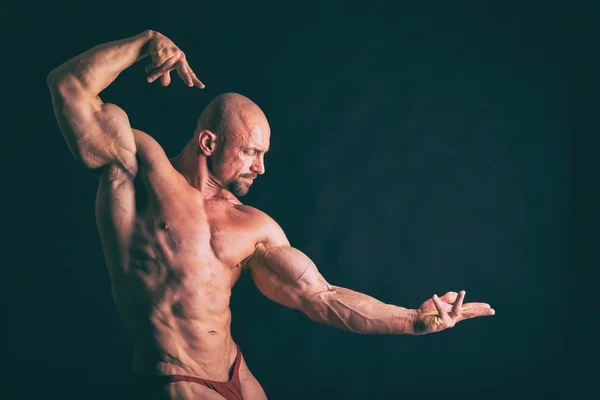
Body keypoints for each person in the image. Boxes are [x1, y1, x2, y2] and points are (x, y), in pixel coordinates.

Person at [47, 30, 495, 400]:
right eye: (250, 152)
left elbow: (321, 297)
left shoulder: (254, 225)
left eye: (263, 155)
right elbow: (68, 87)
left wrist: (413, 320)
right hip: (178, 380)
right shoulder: (139, 165)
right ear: (209, 143)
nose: (260, 167)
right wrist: (144, 44)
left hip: (236, 373)